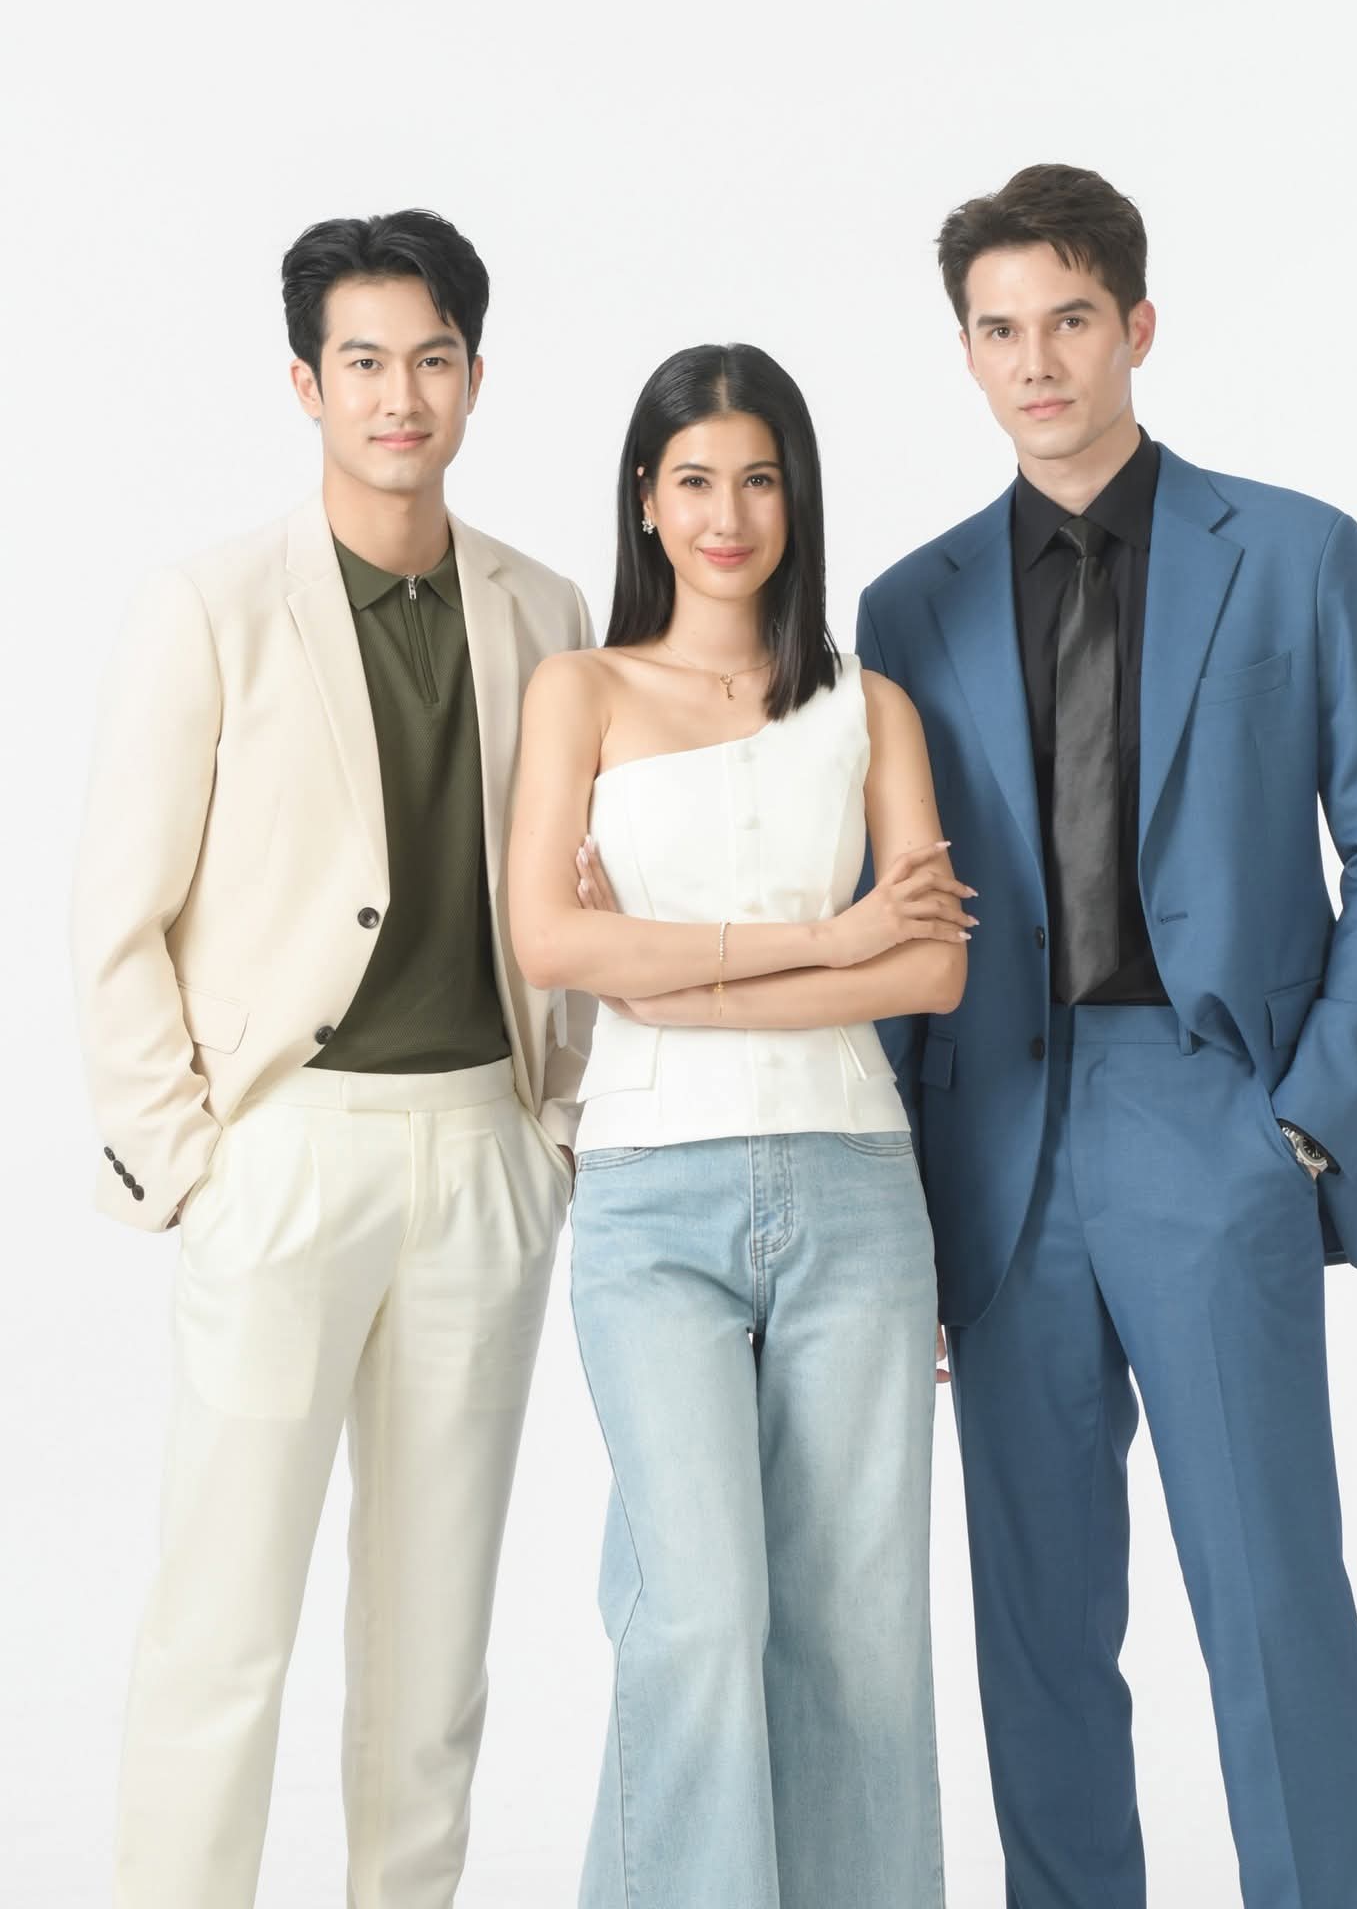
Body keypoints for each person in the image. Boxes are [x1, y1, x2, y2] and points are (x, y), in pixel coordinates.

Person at [856, 164, 1357, 1909]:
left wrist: (1306, 1118)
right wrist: (905, 1200)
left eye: (1066, 320)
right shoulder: (905, 607)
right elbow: (894, 906)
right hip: (994, 1142)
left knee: (1269, 1598)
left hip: (1213, 1120)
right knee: (1036, 1625)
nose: (1034, 361)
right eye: (997, 330)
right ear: (965, 354)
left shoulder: (1290, 551)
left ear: (1134, 324)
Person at [71, 208, 595, 1909]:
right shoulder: (210, 606)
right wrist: (190, 1167)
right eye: (362, 362)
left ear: (476, 378)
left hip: (483, 1154)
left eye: (431, 360)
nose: (398, 397)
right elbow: (118, 916)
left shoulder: (544, 607)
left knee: (433, 1651)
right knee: (221, 1626)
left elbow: (579, 886)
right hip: (284, 1154)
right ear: (305, 383)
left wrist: (554, 1129)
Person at [508, 342, 965, 1909]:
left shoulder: (870, 708)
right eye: (694, 479)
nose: (727, 514)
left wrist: (680, 978)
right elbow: (552, 943)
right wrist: (828, 944)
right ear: (645, 499)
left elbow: (934, 967)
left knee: (856, 1630)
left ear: (796, 498)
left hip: (854, 1189)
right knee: (699, 1615)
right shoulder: (578, 692)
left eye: (758, 479)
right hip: (649, 1200)